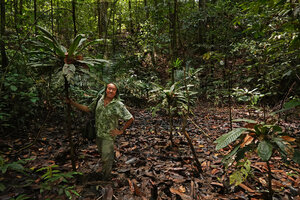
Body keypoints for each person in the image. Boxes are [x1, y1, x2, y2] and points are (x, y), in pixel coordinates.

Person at [66, 83, 134, 180]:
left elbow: (130, 118)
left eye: (113, 90)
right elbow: (88, 109)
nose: (110, 91)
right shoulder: (99, 100)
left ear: (116, 92)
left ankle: (106, 178)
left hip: (109, 135)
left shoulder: (118, 104)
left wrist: (121, 131)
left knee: (106, 158)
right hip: (98, 134)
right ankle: (110, 163)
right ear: (106, 89)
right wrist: (71, 102)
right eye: (109, 88)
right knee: (104, 155)